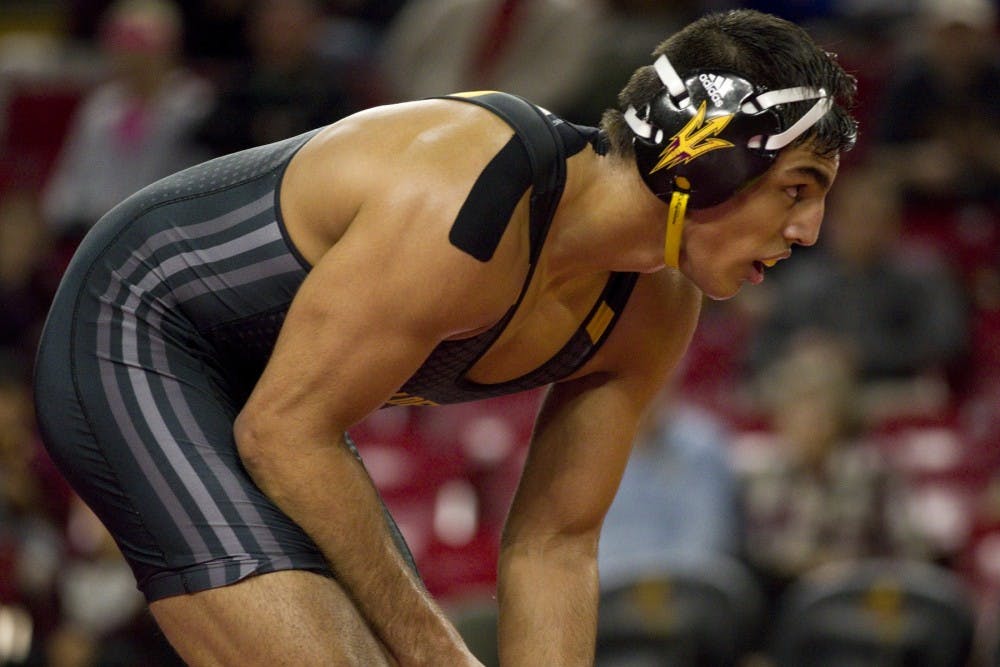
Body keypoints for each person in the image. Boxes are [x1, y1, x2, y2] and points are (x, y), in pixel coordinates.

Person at [33, 9, 857, 665]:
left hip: (274, 400)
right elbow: (285, 432)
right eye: (797, 186)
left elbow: (554, 544)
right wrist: (443, 652)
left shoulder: (656, 307)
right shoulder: (473, 193)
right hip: (138, 327)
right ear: (701, 159)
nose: (811, 228)